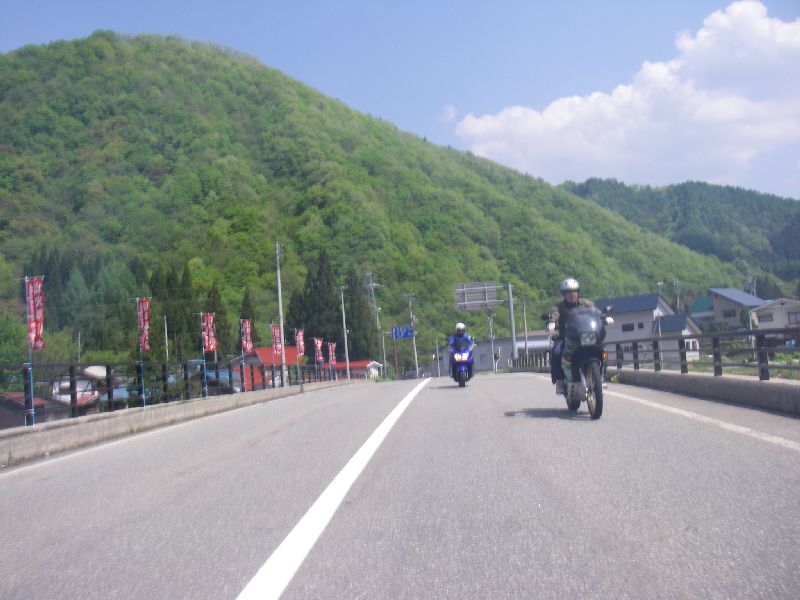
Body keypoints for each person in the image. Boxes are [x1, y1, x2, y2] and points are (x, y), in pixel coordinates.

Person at [547, 278, 612, 391]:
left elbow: (597, 313)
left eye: (574, 291)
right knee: (557, 353)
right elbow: (554, 317)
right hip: (567, 337)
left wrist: (605, 318)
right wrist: (551, 324)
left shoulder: (586, 304)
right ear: (564, 294)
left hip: (586, 335)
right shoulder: (559, 307)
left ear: (578, 292)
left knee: (604, 352)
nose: (572, 294)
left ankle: (601, 376)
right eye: (568, 292)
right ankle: (560, 381)